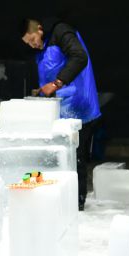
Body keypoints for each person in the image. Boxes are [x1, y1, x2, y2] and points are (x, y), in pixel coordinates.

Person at [21, 17, 101, 209]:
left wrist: (56, 83)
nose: (32, 45)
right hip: (60, 110)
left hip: (80, 107)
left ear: (40, 29)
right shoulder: (41, 51)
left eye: (32, 39)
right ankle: (52, 201)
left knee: (75, 158)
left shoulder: (61, 31)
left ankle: (75, 205)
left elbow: (80, 57)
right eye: (28, 43)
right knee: (55, 157)